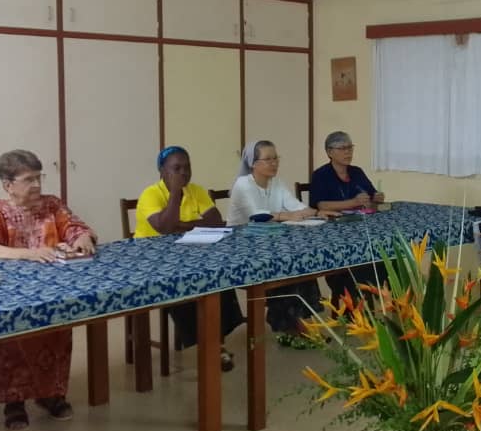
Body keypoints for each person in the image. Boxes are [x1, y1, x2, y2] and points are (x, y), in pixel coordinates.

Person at [0, 150, 96, 431]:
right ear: (8, 185)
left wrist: (82, 238)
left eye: (39, 177)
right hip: (6, 293)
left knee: (58, 321)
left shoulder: (52, 205)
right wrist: (28, 253)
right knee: (11, 328)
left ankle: (51, 394)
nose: (37, 185)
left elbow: (74, 227)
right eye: (29, 179)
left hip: (51, 291)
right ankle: (13, 401)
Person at [135, 146, 245, 371]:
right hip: (152, 260)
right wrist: (176, 193)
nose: (183, 172)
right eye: (176, 168)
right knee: (183, 284)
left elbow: (216, 222)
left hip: (190, 254)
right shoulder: (150, 194)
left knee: (217, 276)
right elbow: (166, 228)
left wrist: (183, 225)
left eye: (187, 167)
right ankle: (208, 346)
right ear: (162, 171)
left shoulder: (197, 191)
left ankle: (216, 341)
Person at [228, 140, 338, 346]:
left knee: (302, 260)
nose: (274, 163)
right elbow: (256, 215)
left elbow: (295, 205)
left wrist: (317, 212)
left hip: (270, 240)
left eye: (276, 158)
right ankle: (290, 325)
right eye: (268, 159)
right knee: (282, 264)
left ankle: (298, 321)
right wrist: (286, 215)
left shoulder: (276, 182)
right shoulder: (243, 184)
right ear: (253, 163)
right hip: (243, 246)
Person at [309, 131, 387, 303]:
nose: (348, 152)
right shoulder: (321, 175)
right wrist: (353, 202)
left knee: (387, 257)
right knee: (361, 266)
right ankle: (356, 305)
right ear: (329, 152)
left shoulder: (357, 172)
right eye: (342, 148)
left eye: (350, 147)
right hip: (334, 236)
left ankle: (380, 299)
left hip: (360, 230)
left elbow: (371, 195)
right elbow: (321, 205)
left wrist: (377, 197)